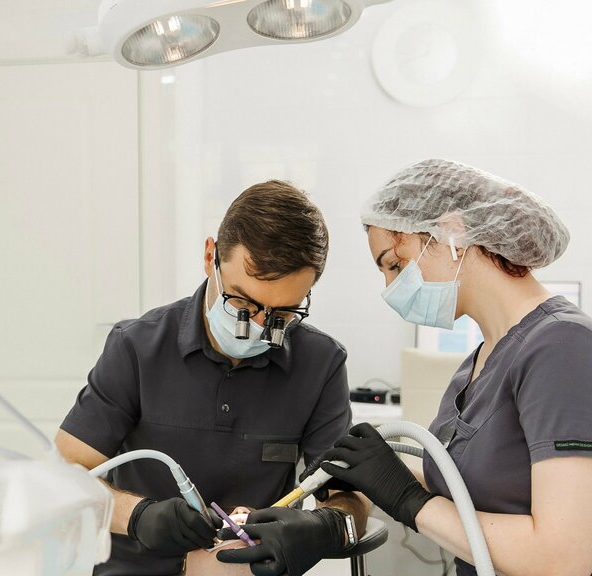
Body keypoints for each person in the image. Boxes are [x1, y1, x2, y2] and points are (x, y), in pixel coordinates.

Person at [222, 159, 592, 575]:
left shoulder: (566, 350)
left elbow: (561, 559)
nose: (390, 288)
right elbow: (475, 492)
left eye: (395, 264)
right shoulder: (478, 364)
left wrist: (408, 498)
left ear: (451, 233)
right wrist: (374, 471)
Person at [56, 180, 369, 576]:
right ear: (210, 256)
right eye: (242, 303)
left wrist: (322, 527)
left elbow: (348, 498)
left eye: (281, 316)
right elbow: (66, 475)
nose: (258, 327)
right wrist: (137, 515)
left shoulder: (320, 364)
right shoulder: (136, 347)